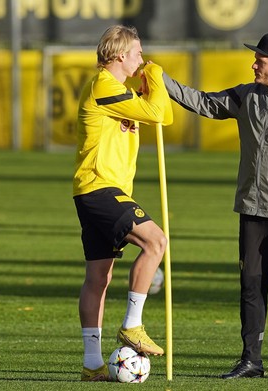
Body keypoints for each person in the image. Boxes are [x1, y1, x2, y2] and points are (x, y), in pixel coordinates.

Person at [163, 33, 268, 380]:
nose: (254, 64)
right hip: (252, 212)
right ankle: (251, 361)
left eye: (262, 61)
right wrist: (161, 81)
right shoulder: (247, 95)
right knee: (251, 287)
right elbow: (204, 102)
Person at [73, 25, 173, 382]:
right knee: (155, 241)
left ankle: (91, 364)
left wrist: (151, 85)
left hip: (100, 190)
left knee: (99, 277)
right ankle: (133, 325)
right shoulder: (103, 87)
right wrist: (157, 75)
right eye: (138, 53)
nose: (142, 60)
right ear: (119, 57)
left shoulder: (120, 91)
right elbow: (159, 112)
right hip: (100, 187)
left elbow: (163, 114)